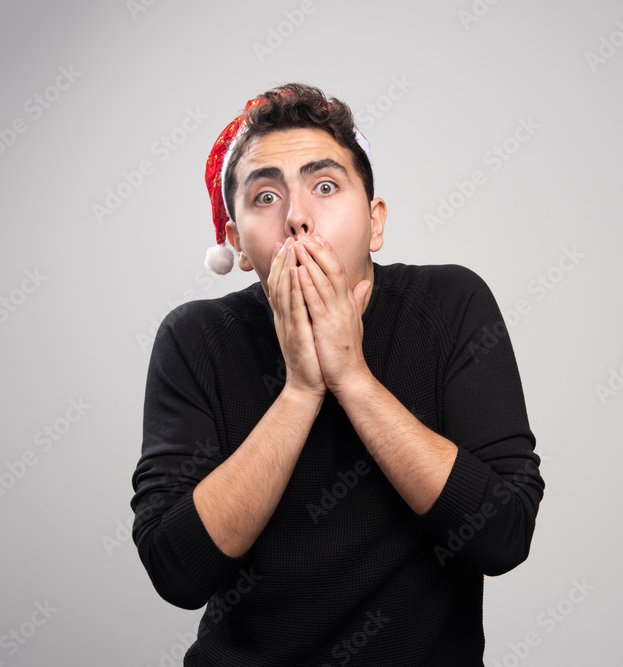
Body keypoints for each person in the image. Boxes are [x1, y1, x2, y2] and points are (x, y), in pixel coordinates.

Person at [130, 82, 544, 666]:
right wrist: (300, 390)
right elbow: (177, 571)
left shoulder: (451, 304)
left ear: (375, 222)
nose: (297, 217)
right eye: (265, 197)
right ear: (236, 244)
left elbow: (503, 533)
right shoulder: (196, 338)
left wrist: (353, 378)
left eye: (325, 186)